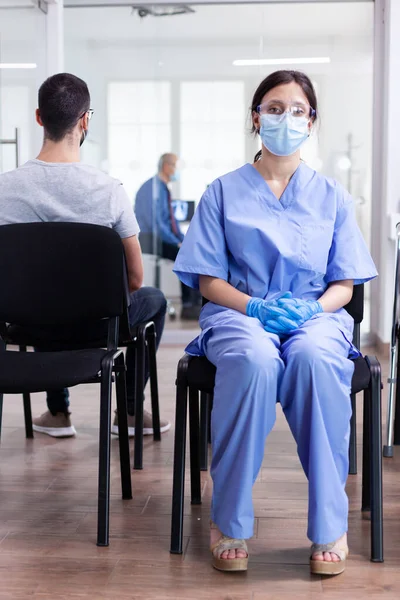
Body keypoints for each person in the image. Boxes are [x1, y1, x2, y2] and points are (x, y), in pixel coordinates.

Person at [173, 70, 377, 575]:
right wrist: (256, 308)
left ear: (312, 122)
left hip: (315, 315)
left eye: (298, 109)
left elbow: (345, 285)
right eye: (274, 107)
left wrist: (313, 310)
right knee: (255, 359)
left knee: (312, 358)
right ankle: (230, 520)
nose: (286, 117)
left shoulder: (331, 196)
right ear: (255, 117)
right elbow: (207, 282)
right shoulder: (221, 192)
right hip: (240, 313)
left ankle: (330, 524)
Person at [0, 73, 170, 439]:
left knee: (41, 296)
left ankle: (58, 412)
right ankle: (126, 411)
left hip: (28, 327)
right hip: (97, 328)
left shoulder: (3, 191)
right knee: (154, 300)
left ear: (39, 117)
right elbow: (135, 280)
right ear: (84, 120)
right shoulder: (108, 192)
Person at [135, 153, 201, 320]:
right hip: (150, 238)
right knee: (187, 257)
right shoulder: (151, 188)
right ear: (166, 166)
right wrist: (176, 243)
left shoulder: (163, 188)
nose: (177, 171)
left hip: (161, 236)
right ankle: (188, 306)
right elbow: (156, 224)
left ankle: (196, 302)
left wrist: (183, 239)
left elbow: (171, 222)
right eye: (176, 167)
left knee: (192, 251)